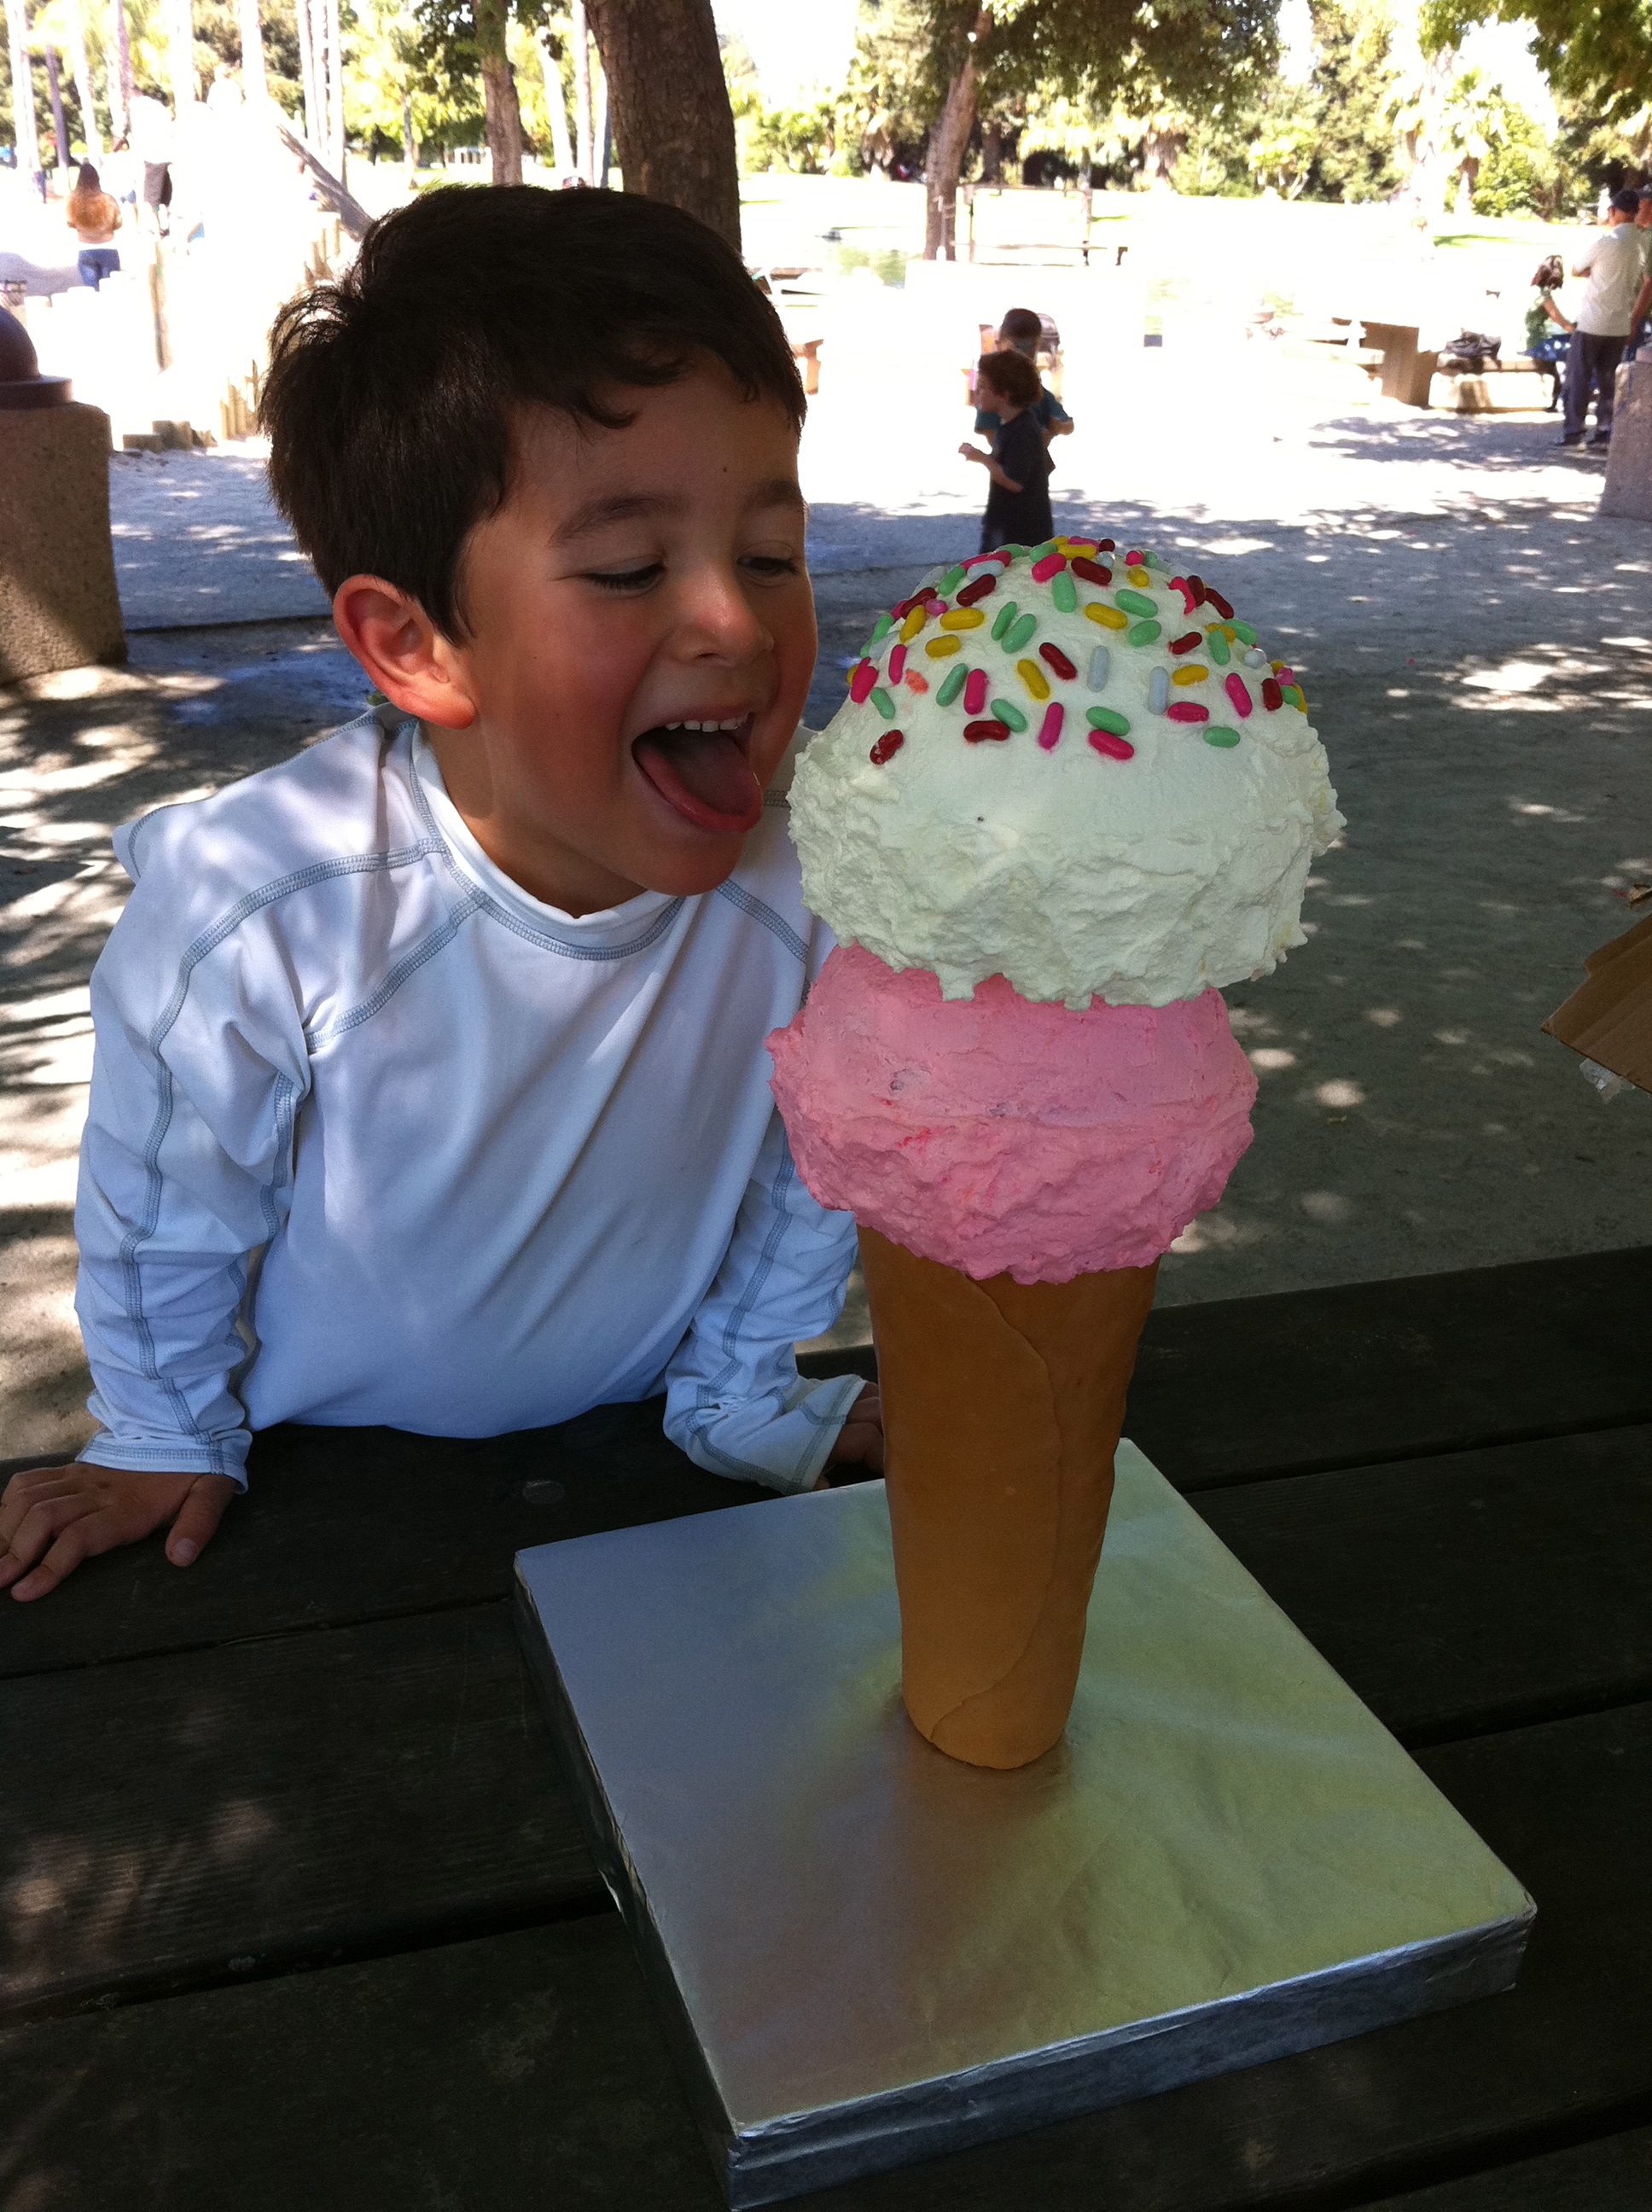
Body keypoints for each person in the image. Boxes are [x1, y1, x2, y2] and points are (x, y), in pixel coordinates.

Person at [0, 186, 883, 1603]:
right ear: (412, 646)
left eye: (773, 554)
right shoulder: (264, 906)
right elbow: (171, 1199)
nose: (735, 620)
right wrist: (165, 1432)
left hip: (637, 1483)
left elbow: (819, 1163)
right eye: (628, 566)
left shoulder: (819, 891)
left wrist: (744, 1388)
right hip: (320, 1493)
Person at [1558, 187, 1643, 451]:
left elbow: (1576, 269)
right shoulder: (1640, 245)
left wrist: (1593, 273)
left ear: (1614, 211)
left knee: (1578, 378)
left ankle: (1574, 431)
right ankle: (1605, 429)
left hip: (1593, 320)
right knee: (1608, 380)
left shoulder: (1606, 242)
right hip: (1619, 323)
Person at [960, 346, 1054, 553]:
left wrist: (982, 458)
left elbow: (1014, 483)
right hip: (1005, 522)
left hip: (1022, 531)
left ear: (1005, 395)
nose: (977, 391)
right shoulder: (1008, 423)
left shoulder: (1023, 429)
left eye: (983, 387)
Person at [973, 306, 1073, 446]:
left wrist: (1057, 427)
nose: (1021, 365)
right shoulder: (993, 393)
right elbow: (993, 438)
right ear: (999, 346)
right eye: (1015, 354)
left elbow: (1067, 424)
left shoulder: (1039, 394)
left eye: (1029, 354)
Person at [1524, 254, 1572, 411]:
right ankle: (1561, 400)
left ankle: (1562, 398)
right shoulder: (1546, 296)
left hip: (1533, 339)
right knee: (1577, 349)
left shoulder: (1537, 292)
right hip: (1536, 344)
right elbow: (1562, 322)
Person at [65, 161, 122, 290]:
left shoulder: (73, 200)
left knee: (92, 292)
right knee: (111, 290)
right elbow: (118, 222)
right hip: (108, 247)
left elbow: (70, 222)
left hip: (85, 249)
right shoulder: (108, 199)